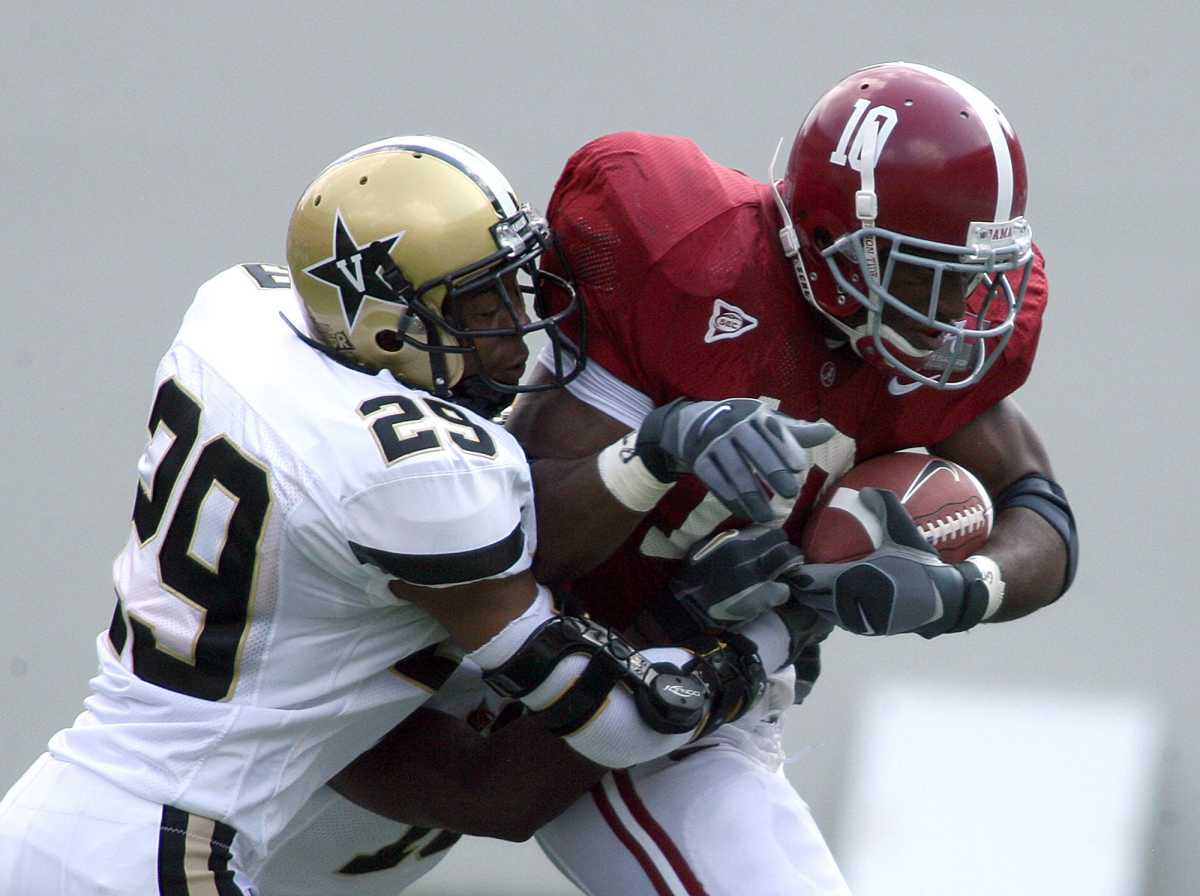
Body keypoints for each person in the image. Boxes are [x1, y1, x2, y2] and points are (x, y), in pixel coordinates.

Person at [0, 135, 821, 894]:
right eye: (482, 304)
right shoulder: (415, 477)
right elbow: (605, 725)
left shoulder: (237, 316)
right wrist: (751, 640)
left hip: (57, 806)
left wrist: (650, 451)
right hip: (162, 852)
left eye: (513, 282)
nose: (518, 325)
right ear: (387, 327)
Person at [498, 61, 1078, 895]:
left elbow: (1042, 511)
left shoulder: (936, 350)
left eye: (972, 278)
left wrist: (963, 594)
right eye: (921, 272)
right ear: (826, 234)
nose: (955, 314)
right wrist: (662, 445)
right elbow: (528, 544)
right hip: (505, 647)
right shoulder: (686, 260)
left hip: (697, 692)